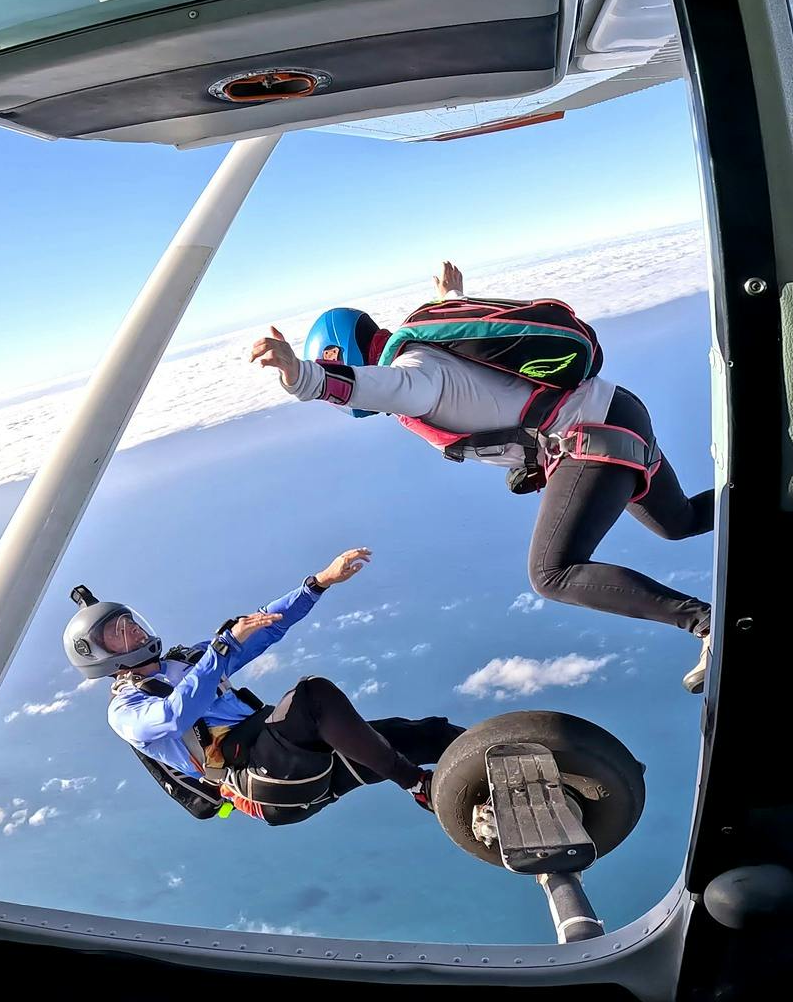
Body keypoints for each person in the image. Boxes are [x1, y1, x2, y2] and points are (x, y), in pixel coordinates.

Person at [249, 262, 718, 693]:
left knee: (551, 574)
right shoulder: (431, 343)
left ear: (340, 353)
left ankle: (706, 623)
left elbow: (374, 386)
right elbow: (475, 341)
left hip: (590, 435)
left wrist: (302, 377)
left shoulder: (410, 373)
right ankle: (783, 494)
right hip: (616, 409)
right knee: (680, 521)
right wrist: (452, 293)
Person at [65, 547, 464, 825]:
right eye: (115, 631)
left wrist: (318, 583)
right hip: (260, 778)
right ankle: (419, 786)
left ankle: (505, 774)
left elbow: (263, 628)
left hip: (293, 761)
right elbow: (172, 717)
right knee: (313, 696)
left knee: (427, 735)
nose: (130, 626)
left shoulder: (188, 661)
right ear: (98, 654)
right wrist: (222, 649)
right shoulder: (126, 710)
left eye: (127, 618)